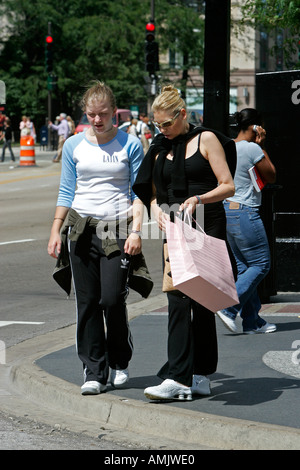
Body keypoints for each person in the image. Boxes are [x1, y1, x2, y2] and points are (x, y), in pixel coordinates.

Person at [133, 85, 236, 401]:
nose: (161, 129)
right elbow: (149, 191)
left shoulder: (205, 139)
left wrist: (198, 198)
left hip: (206, 224)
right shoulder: (160, 145)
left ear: (182, 114)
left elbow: (228, 186)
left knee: (202, 302)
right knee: (178, 298)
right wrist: (155, 211)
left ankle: (198, 373)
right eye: (156, 124)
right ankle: (181, 376)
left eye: (166, 123)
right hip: (174, 228)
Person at [47, 81, 145, 396]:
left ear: (112, 112)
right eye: (91, 114)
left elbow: (139, 193)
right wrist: (55, 230)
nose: (97, 120)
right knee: (87, 303)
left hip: (116, 227)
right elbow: (66, 190)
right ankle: (93, 371)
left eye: (102, 114)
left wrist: (136, 231)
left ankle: (119, 360)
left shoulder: (130, 144)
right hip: (81, 227)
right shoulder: (75, 145)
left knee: (112, 298)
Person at [216, 108, 277, 334]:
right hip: (245, 211)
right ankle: (229, 308)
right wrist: (261, 145)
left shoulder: (226, 147)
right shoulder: (252, 148)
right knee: (261, 264)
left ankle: (253, 322)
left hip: (227, 211)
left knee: (245, 269)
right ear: (255, 127)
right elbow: (271, 175)